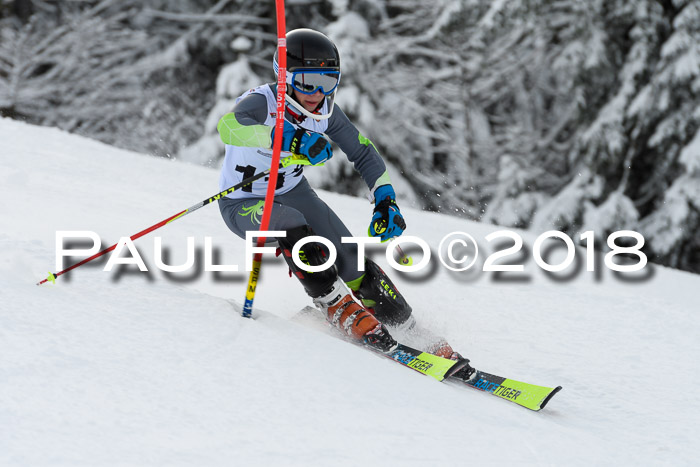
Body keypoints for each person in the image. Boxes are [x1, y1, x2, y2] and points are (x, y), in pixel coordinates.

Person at [216, 28, 461, 359]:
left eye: (328, 82)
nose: (317, 93)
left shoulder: (325, 111)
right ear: (284, 77)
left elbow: (362, 151)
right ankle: (335, 305)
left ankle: (408, 329)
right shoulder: (262, 102)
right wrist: (289, 139)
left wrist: (385, 199)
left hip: (293, 192)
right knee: (292, 224)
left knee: (351, 261)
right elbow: (230, 127)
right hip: (244, 203)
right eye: (307, 82)